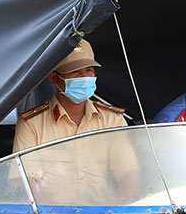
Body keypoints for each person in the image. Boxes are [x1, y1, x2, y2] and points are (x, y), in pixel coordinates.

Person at [12, 39, 138, 203]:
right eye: (75, 72)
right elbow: (28, 181)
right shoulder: (31, 123)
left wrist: (117, 207)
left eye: (89, 70)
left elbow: (129, 173)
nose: (84, 77)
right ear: (54, 79)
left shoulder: (112, 119)